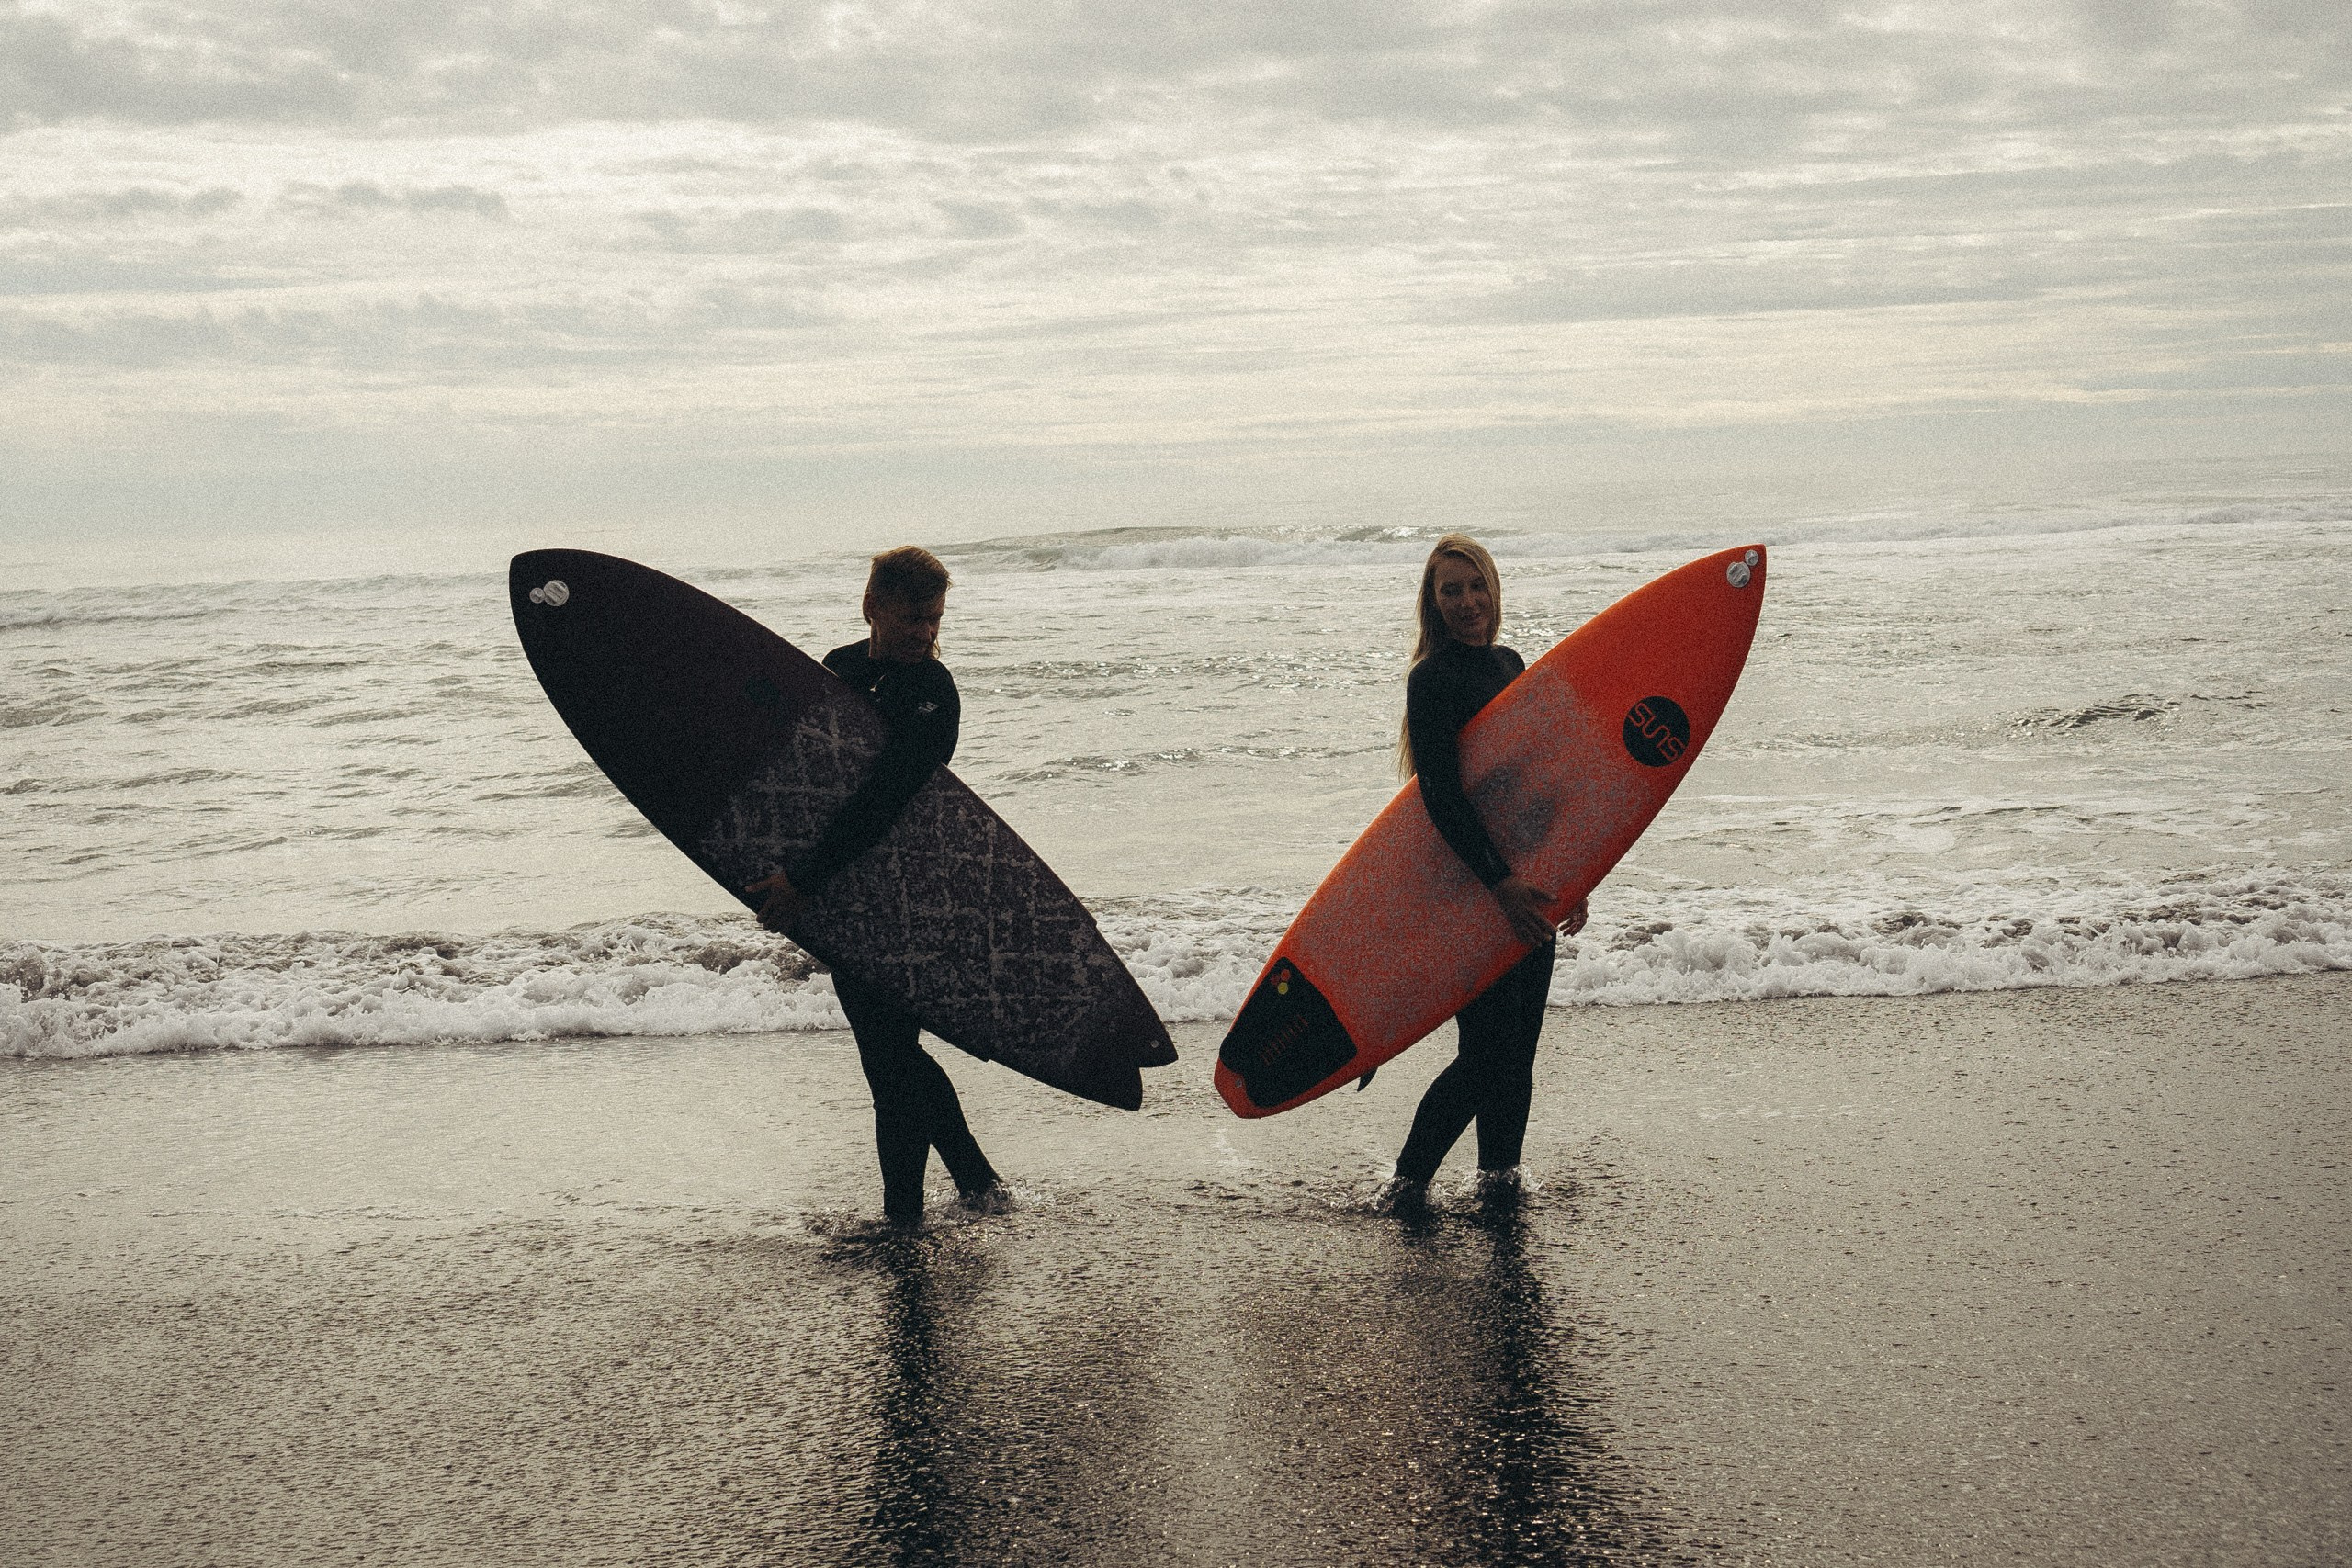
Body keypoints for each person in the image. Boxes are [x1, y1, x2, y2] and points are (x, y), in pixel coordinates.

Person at [745, 547, 1008, 1224]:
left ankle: (910, 1215)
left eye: (936, 619)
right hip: (844, 895)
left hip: (909, 897)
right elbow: (808, 782)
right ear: (873, 608)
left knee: (890, 1058)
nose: (926, 632)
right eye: (914, 617)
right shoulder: (840, 668)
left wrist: (801, 879)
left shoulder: (933, 695)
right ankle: (972, 1188)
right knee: (889, 1056)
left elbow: (884, 799)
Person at [1383, 534, 1588, 1213]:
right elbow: (1443, 794)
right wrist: (1498, 882)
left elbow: (1538, 785)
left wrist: (1576, 874)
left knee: (1517, 1054)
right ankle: (1405, 1186)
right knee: (1483, 1056)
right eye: (1451, 590)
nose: (1467, 601)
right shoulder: (1431, 680)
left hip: (1528, 884)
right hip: (1476, 889)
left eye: (1476, 586)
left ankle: (1498, 1180)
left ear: (1494, 588)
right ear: (1433, 603)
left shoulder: (1510, 663)